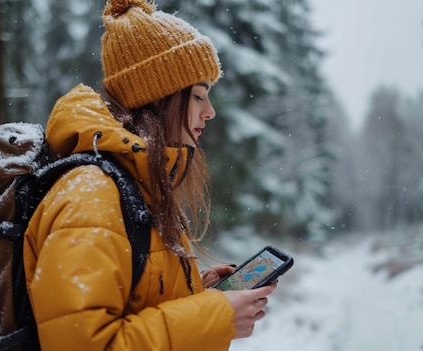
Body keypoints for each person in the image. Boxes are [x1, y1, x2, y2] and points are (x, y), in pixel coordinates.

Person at [23, 0, 277, 350]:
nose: (210, 112)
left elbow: (136, 304)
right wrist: (213, 316)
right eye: (199, 96)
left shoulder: (137, 186)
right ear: (161, 97)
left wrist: (200, 294)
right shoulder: (91, 195)